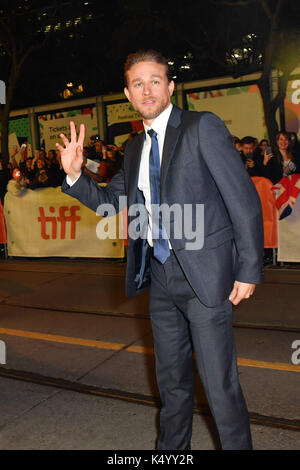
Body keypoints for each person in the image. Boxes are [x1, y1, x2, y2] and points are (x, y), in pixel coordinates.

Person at [57, 50, 263, 450]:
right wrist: (75, 174)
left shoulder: (202, 127)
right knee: (171, 384)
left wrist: (250, 267)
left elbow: (243, 200)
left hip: (207, 275)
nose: (147, 89)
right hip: (161, 277)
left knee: (220, 387)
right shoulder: (133, 148)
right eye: (138, 83)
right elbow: (109, 204)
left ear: (170, 86)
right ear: (128, 95)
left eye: (155, 80)